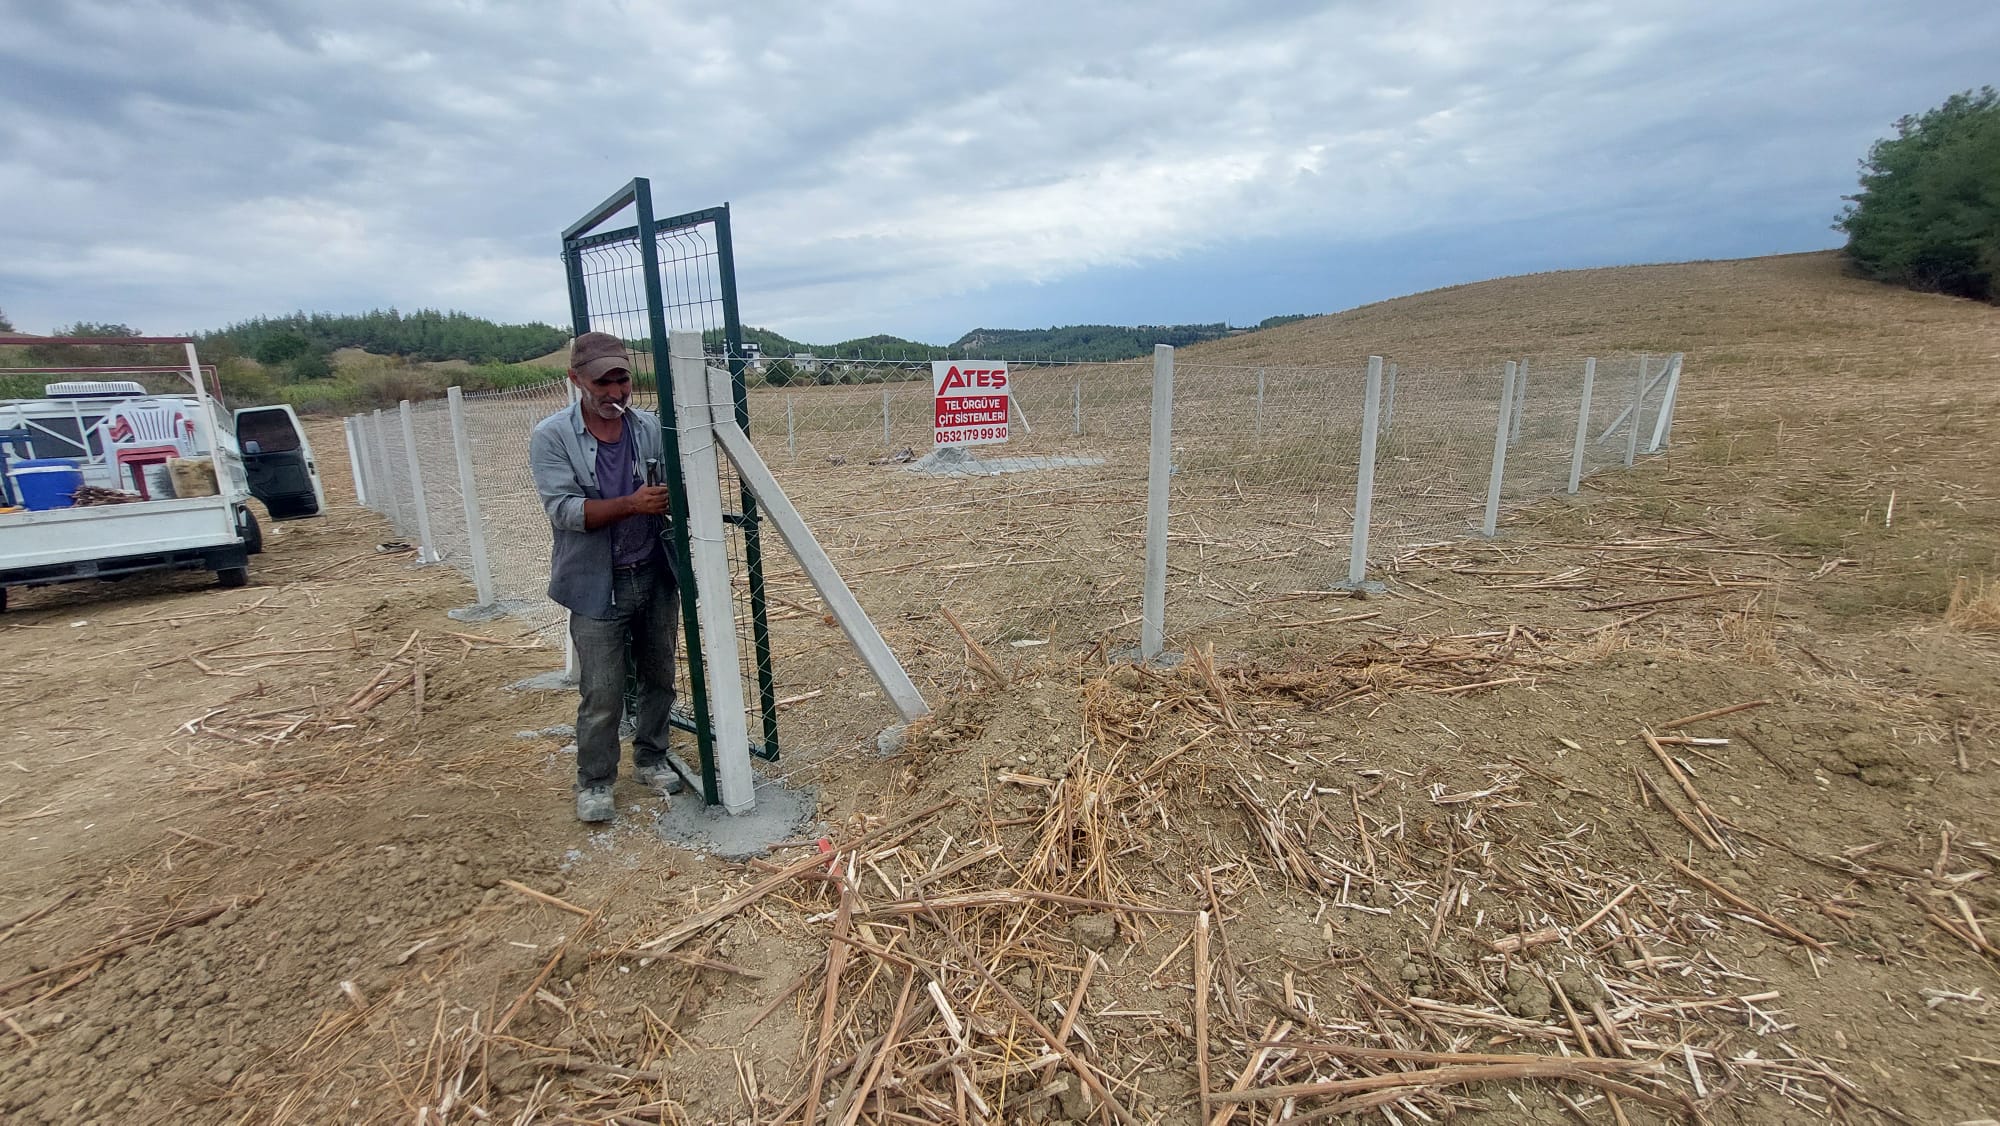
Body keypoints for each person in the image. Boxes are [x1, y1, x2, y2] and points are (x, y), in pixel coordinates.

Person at [530, 332, 684, 823]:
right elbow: (564, 511)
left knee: (660, 676)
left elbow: (675, 484)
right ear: (576, 379)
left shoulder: (649, 429)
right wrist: (631, 504)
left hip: (653, 574)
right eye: (603, 382)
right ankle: (596, 781)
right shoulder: (551, 436)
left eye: (623, 380)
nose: (616, 393)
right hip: (598, 583)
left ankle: (652, 758)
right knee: (602, 692)